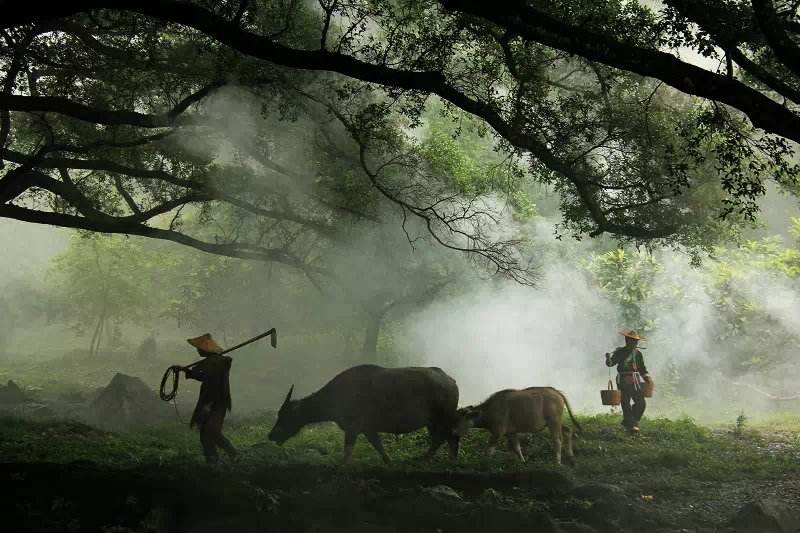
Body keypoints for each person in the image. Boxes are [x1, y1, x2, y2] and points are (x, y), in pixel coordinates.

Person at [182, 333, 238, 464]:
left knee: (212, 431)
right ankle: (212, 460)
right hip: (209, 400)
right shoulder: (210, 362)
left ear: (204, 350)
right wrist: (185, 371)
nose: (198, 351)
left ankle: (233, 453)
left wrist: (190, 372)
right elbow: (203, 376)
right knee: (205, 434)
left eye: (199, 349)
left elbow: (204, 375)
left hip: (216, 401)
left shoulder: (218, 362)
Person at [605, 330, 652, 433]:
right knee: (625, 402)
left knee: (641, 403)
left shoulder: (638, 354)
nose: (635, 342)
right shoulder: (619, 352)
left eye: (636, 341)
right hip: (623, 380)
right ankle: (631, 425)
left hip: (635, 380)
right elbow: (610, 364)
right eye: (632, 340)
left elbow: (642, 368)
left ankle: (631, 421)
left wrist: (647, 378)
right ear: (627, 340)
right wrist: (608, 359)